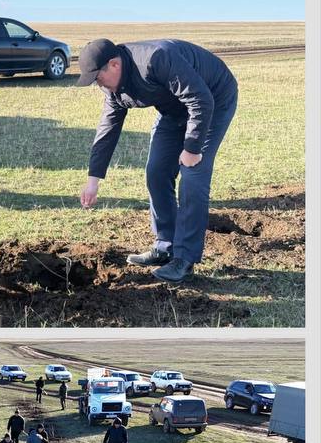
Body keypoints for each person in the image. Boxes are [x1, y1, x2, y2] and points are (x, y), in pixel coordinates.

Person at [78, 38, 239, 283]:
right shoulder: (112, 88)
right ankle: (165, 245)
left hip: (212, 100)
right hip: (174, 109)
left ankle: (185, 258)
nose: (98, 84)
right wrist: (93, 179)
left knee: (193, 175)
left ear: (113, 64)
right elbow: (108, 128)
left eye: (98, 78)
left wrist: (192, 148)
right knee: (157, 171)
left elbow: (200, 100)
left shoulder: (156, 59)